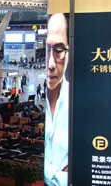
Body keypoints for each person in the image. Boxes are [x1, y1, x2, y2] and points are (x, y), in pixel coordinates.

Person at [44, 13, 69, 186]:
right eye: (47, 50)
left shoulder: (79, 103)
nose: (51, 64)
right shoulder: (43, 104)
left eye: (59, 51)